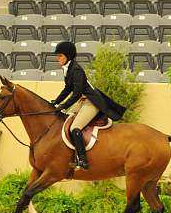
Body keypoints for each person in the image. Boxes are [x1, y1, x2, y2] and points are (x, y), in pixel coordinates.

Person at [50, 41, 126, 170]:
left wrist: (63, 105)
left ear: (68, 56)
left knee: (75, 128)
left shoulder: (76, 70)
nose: (58, 59)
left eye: (60, 56)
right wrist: (56, 101)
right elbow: (67, 89)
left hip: (92, 101)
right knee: (66, 119)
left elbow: (77, 93)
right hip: (82, 100)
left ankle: (83, 160)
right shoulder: (68, 69)